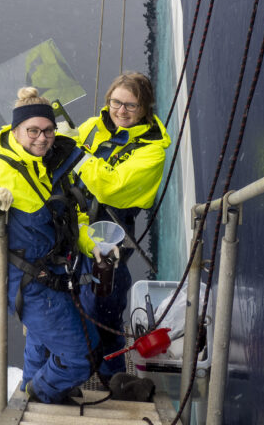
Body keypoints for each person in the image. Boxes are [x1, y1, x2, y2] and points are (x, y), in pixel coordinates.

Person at [0, 86, 102, 404]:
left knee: (45, 338)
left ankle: (29, 385)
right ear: (16, 130)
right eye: (32, 130)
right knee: (84, 357)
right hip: (25, 279)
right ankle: (39, 393)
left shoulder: (53, 162)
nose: (41, 138)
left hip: (54, 271)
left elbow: (74, 217)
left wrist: (94, 246)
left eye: (48, 130)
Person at [73, 71, 171, 386]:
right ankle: (79, 362)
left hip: (112, 229)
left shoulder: (151, 150)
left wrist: (76, 157)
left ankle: (111, 374)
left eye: (131, 105)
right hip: (75, 223)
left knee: (104, 300)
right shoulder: (92, 128)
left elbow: (109, 189)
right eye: (116, 102)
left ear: (145, 108)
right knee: (71, 292)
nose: (121, 111)